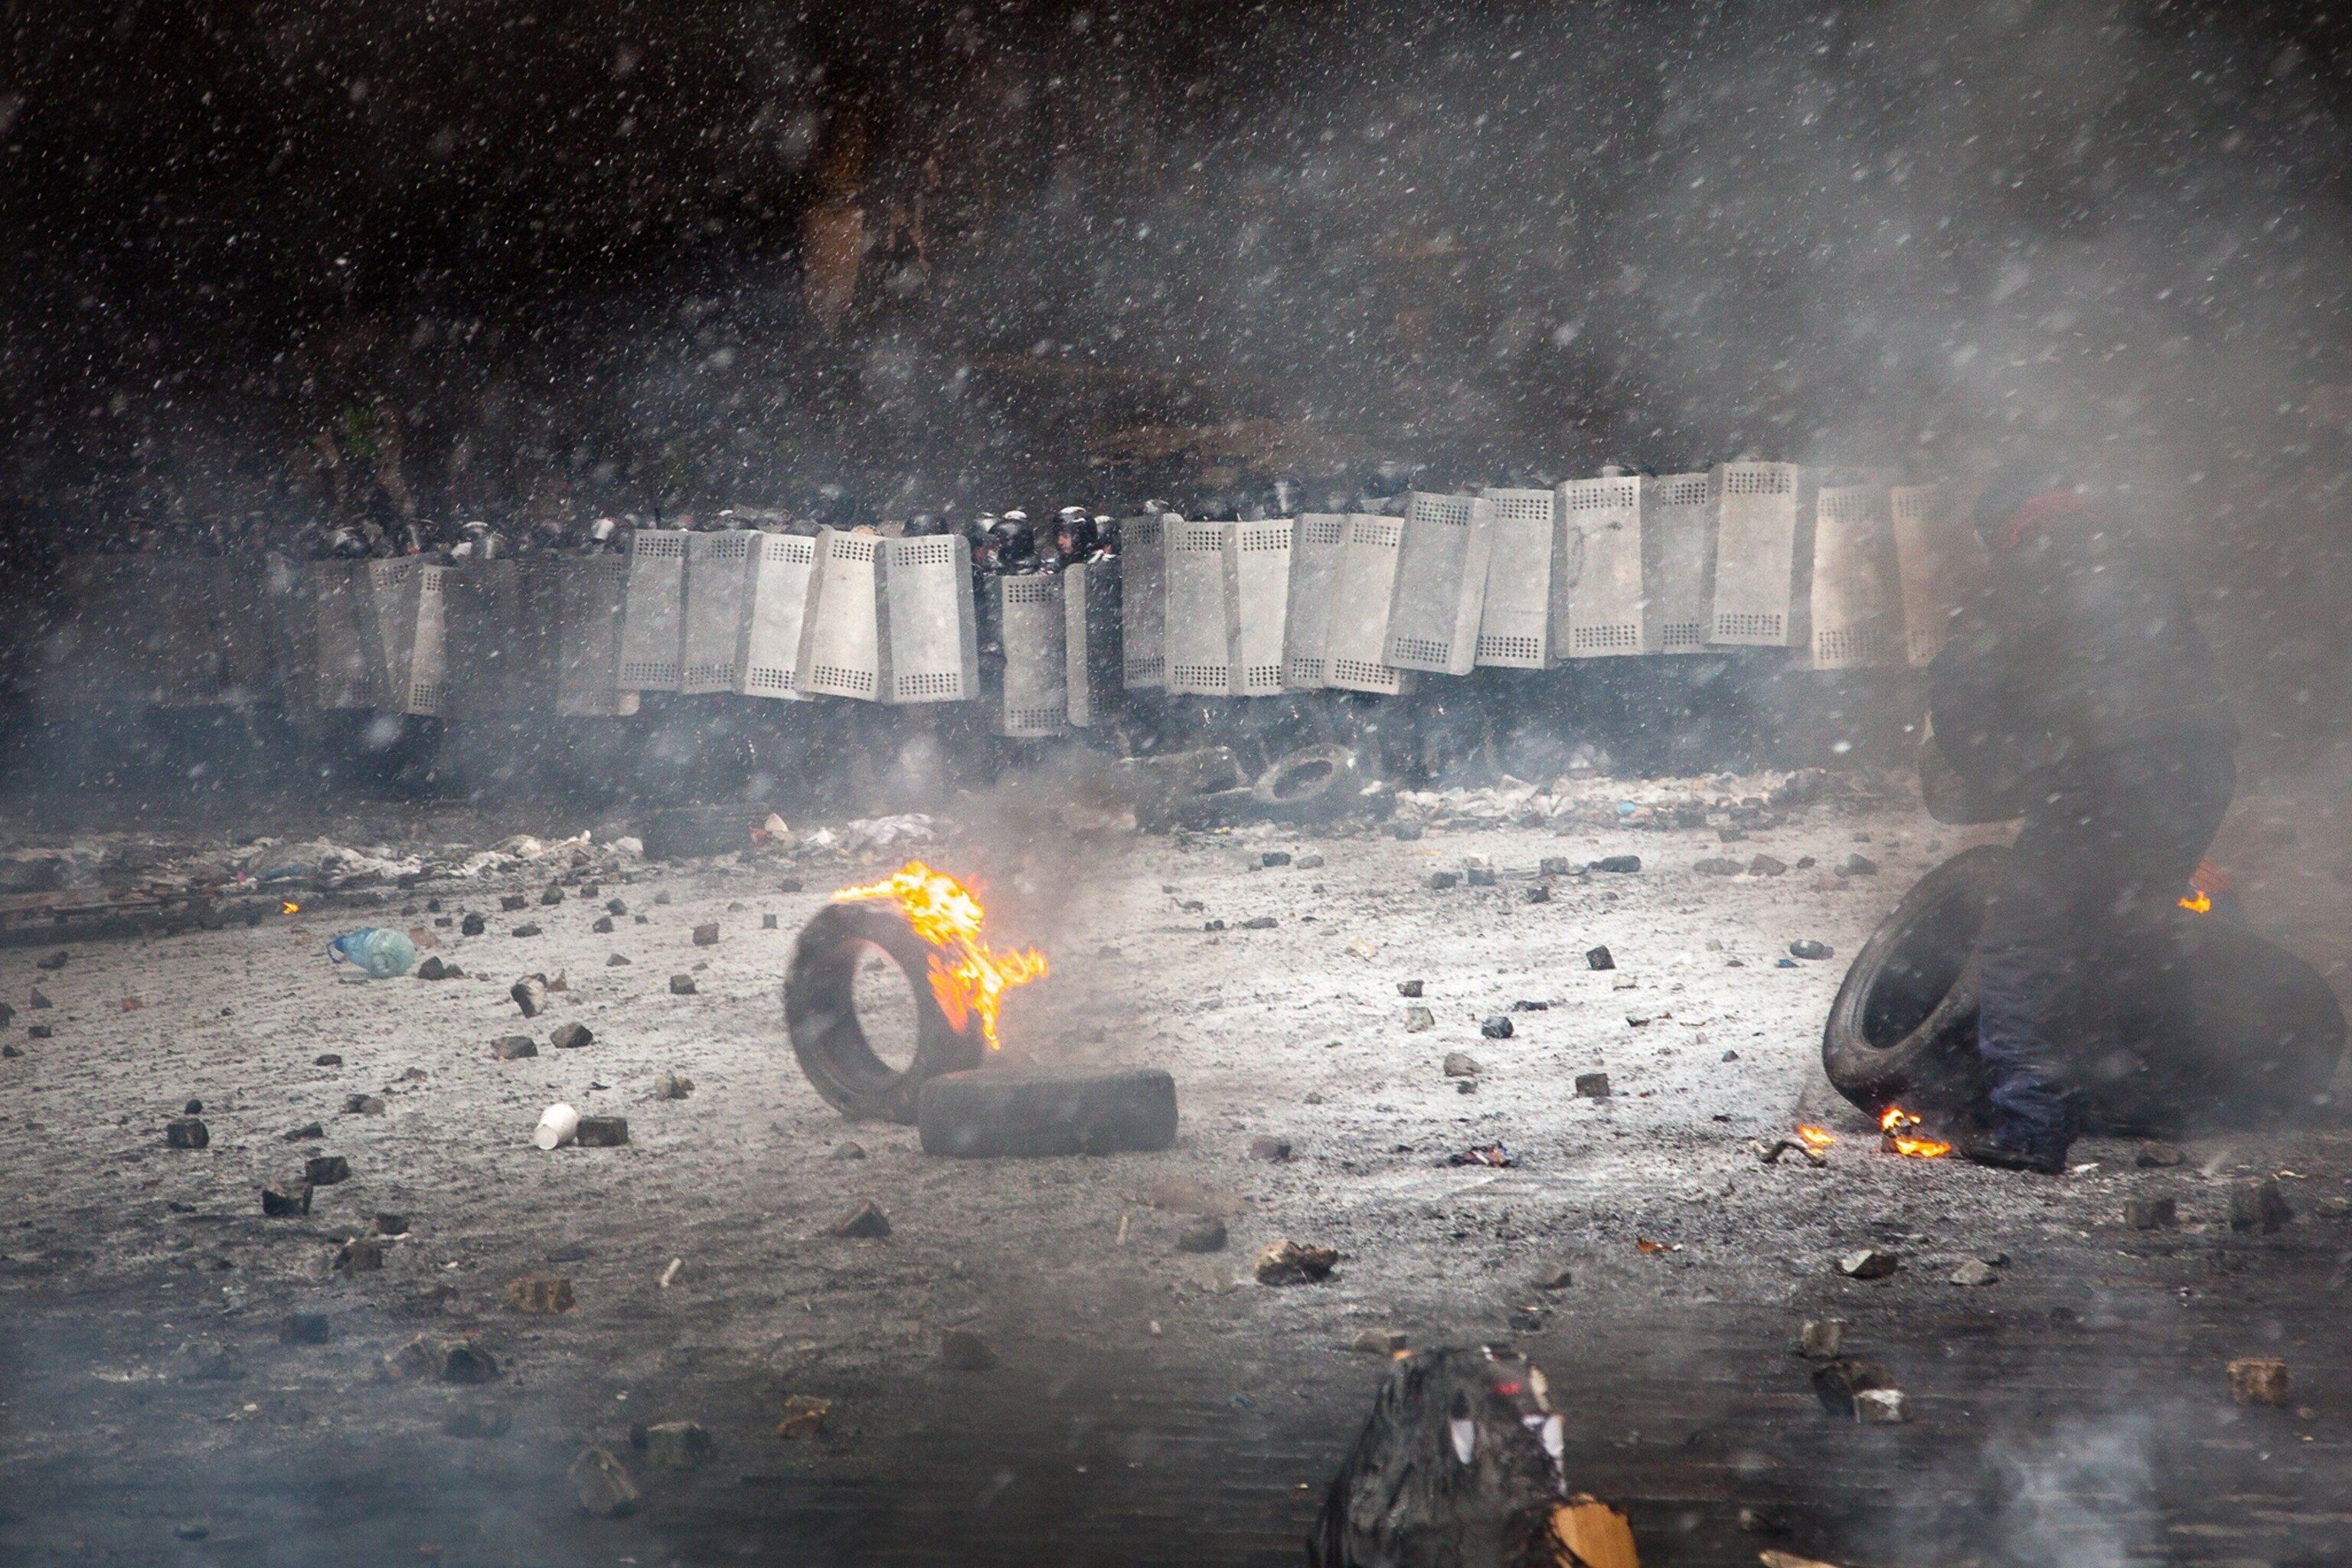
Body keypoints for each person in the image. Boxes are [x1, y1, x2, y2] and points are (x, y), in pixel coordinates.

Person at [1929, 461, 2237, 1172]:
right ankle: (2150, 1097)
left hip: (2106, 777)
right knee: (2126, 925)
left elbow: (1964, 701)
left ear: (2006, 526)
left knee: (2025, 943)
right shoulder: (2139, 556)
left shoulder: (2016, 575)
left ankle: (2032, 1126)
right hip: (2200, 767)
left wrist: (2000, 767)